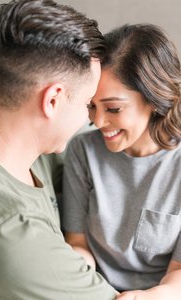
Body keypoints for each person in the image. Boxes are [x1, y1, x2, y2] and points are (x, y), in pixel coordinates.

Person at [0, 0, 119, 299]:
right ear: (53, 100)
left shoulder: (34, 158)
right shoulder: (12, 233)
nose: (91, 119)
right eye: (86, 104)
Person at [62, 23, 181, 300]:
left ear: (155, 97)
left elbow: (178, 274)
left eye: (113, 108)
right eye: (91, 105)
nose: (97, 121)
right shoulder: (83, 151)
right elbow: (77, 243)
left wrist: (146, 297)